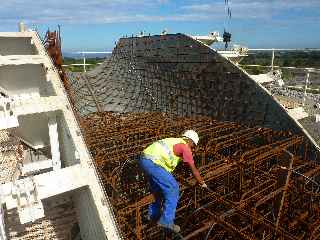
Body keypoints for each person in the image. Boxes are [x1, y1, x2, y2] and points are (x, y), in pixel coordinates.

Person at [139, 130, 207, 233]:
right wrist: (202, 183)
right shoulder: (185, 147)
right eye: (193, 145)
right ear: (190, 141)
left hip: (144, 161)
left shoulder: (174, 140)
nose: (192, 148)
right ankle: (166, 221)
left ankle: (152, 215)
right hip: (153, 164)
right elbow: (193, 169)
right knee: (173, 188)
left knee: (158, 191)